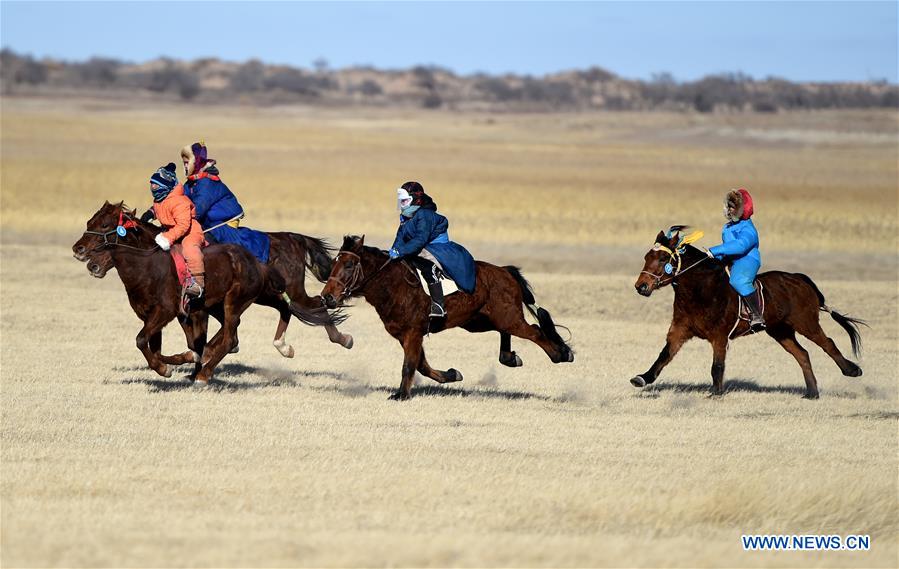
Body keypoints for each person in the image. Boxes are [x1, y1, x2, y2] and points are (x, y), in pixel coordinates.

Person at [388, 181, 476, 320]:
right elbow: (401, 236)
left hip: (437, 249)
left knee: (426, 267)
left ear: (415, 199)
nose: (402, 204)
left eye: (405, 201)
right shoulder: (406, 216)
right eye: (401, 201)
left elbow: (420, 239)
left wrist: (402, 251)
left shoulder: (425, 214)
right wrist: (395, 249)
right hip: (422, 246)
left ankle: (438, 305)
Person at [179, 141, 270, 263]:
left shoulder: (206, 182)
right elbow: (179, 198)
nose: (185, 166)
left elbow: (198, 209)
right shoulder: (192, 182)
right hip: (210, 219)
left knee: (206, 241)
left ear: (196, 162)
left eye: (187, 163)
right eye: (183, 163)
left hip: (223, 221)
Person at [708, 188, 765, 331]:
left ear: (741, 209)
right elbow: (728, 247)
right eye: (728, 206)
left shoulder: (748, 229)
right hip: (731, 259)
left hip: (746, 260)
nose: (728, 210)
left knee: (738, 280)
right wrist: (713, 257)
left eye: (731, 207)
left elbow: (740, 246)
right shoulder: (727, 227)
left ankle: (757, 315)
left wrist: (715, 250)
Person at [149, 163, 205, 297]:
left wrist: (167, 238)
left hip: (189, 232)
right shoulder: (160, 200)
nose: (153, 188)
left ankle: (198, 283)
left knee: (190, 250)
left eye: (156, 185)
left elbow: (183, 225)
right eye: (151, 185)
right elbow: (161, 209)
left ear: (166, 186)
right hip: (170, 231)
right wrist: (150, 214)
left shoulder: (180, 201)